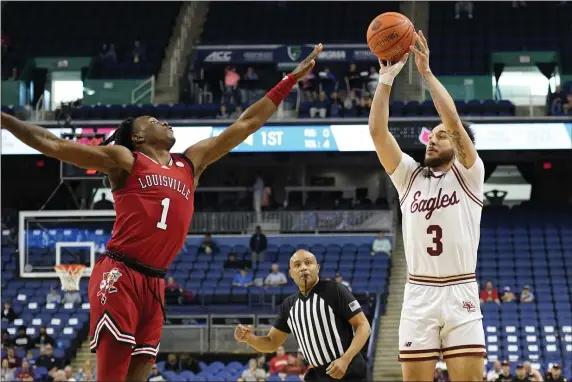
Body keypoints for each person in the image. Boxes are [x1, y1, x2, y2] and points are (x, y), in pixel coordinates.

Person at [0, 43, 323, 382]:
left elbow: (247, 123)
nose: (164, 121)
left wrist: (288, 80)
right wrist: (7, 121)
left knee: (139, 375)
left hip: (155, 281)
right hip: (120, 273)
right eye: (154, 120)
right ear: (138, 136)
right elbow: (54, 145)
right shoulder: (126, 160)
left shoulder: (190, 162)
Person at [369, 31, 486, 381]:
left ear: (459, 142)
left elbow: (452, 119)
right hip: (419, 292)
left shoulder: (470, 172)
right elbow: (377, 132)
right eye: (430, 136)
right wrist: (386, 79)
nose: (432, 140)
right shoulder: (409, 177)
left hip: (460, 290)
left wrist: (427, 74)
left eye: (441, 135)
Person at [234, 249, 371, 381]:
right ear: (291, 273)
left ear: (317, 267)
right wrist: (249, 338)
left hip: (349, 371)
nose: (303, 268)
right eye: (297, 265)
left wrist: (345, 359)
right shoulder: (289, 305)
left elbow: (363, 326)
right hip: (318, 375)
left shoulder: (335, 290)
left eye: (308, 263)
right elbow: (271, 343)